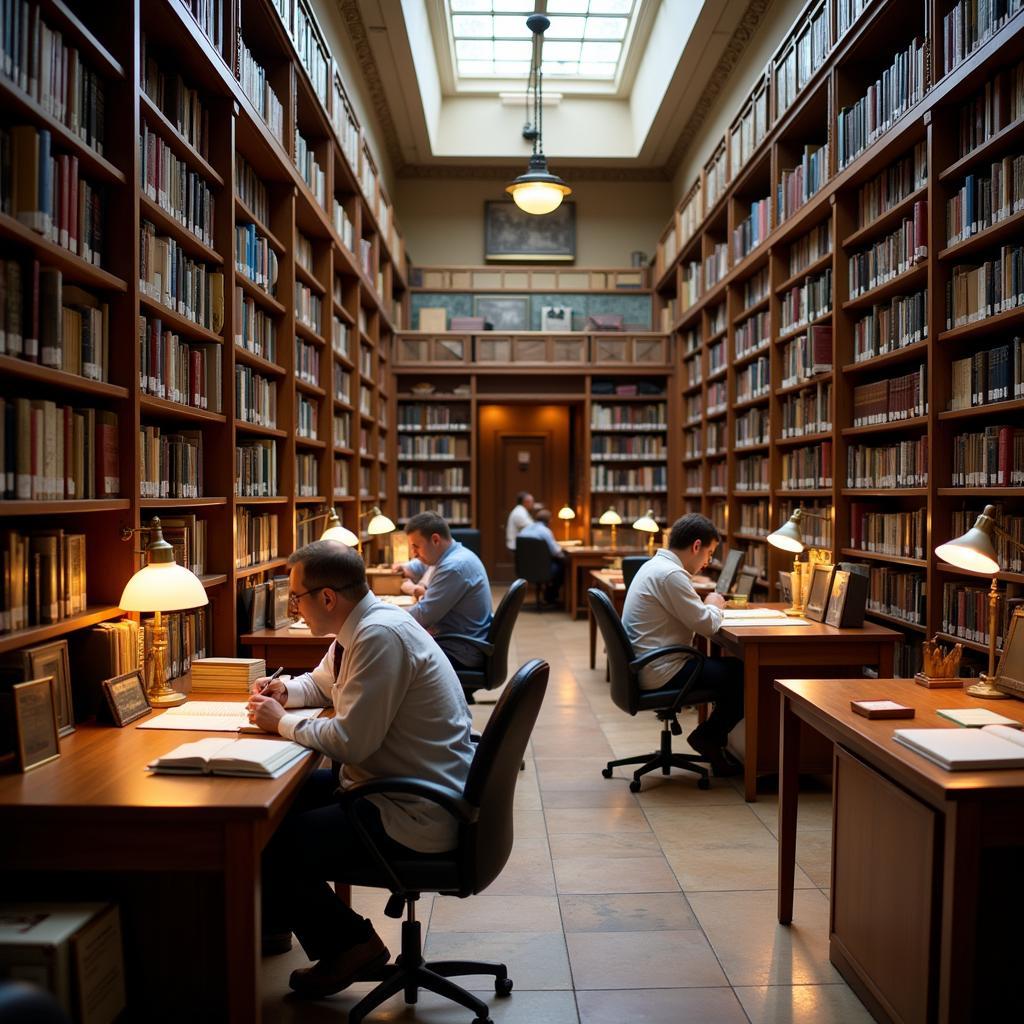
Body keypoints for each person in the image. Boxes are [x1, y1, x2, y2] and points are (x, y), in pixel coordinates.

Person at [247, 541, 475, 998]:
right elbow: (323, 682)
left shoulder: (378, 637)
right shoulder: (362, 627)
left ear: (327, 598)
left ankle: (351, 946)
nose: (294, 606)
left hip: (412, 807)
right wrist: (286, 693)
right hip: (399, 782)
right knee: (269, 808)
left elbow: (352, 741)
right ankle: (277, 925)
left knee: (270, 841)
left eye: (297, 597)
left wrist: (281, 722)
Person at [621, 513, 744, 777]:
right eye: (709, 553)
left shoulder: (654, 565)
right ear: (696, 546)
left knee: (729, 669)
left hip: (644, 665)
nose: (708, 561)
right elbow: (707, 625)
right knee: (743, 675)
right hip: (662, 670)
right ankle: (709, 738)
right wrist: (714, 604)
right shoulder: (671, 575)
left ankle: (713, 738)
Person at [398, 511, 493, 671]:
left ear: (435, 540)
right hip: (463, 642)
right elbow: (422, 564)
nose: (413, 553)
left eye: (416, 546)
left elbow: (423, 615)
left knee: (393, 659)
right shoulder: (452, 554)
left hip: (460, 651)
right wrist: (405, 568)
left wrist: (387, 612)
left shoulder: (453, 568)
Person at [518, 507, 565, 604]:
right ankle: (551, 596)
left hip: (524, 569)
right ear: (549, 521)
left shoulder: (524, 530)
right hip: (543, 569)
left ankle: (549, 594)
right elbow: (556, 552)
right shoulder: (545, 531)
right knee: (563, 566)